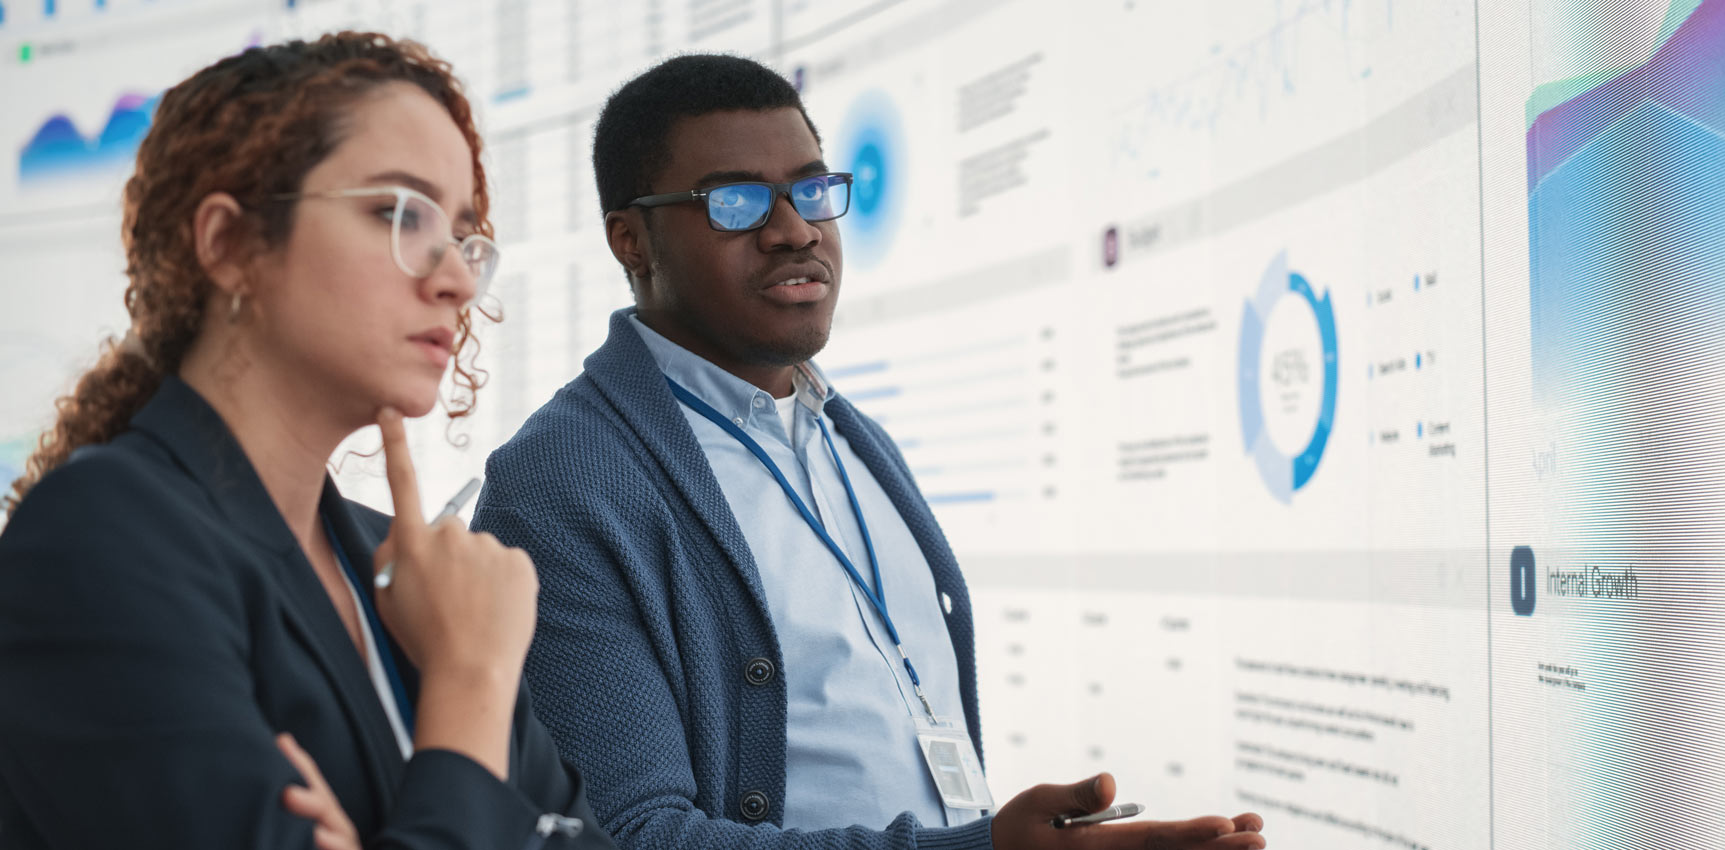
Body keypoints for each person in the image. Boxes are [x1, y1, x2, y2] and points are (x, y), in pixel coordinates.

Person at [471, 54, 1266, 850]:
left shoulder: (847, 437)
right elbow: (630, 838)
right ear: (631, 241)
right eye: (736, 202)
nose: (795, 230)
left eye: (812, 190)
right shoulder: (557, 483)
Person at [0, 33, 615, 849]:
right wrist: (469, 684)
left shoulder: (398, 562)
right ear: (227, 244)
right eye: (400, 213)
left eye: (465, 237)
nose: (459, 279)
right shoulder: (96, 537)